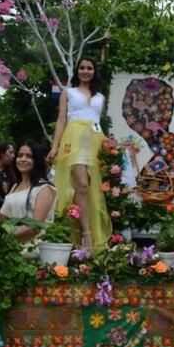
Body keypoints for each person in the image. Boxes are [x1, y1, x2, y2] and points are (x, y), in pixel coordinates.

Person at [47, 57, 111, 251]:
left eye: (89, 68)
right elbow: (60, 121)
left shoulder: (100, 97)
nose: (85, 71)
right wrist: (55, 146)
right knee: (82, 184)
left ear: (94, 71)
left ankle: (77, 235)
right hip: (72, 141)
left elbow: (99, 121)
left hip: (95, 142)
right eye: (82, 68)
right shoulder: (69, 92)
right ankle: (86, 234)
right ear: (77, 71)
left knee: (89, 188)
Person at [0, 142, 57, 242]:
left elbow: (35, 227)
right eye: (20, 155)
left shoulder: (44, 189)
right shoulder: (15, 187)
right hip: (11, 244)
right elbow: (2, 219)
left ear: (37, 160)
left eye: (29, 156)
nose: (23, 159)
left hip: (33, 246)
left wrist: (6, 241)